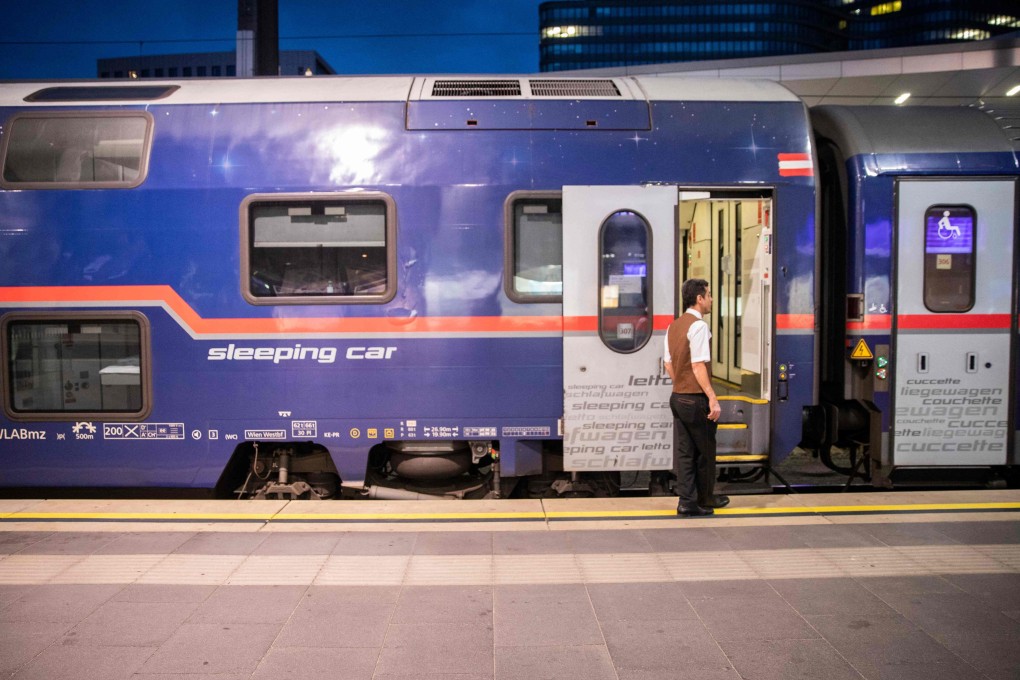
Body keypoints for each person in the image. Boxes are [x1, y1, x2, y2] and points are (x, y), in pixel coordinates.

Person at [664, 278, 729, 517]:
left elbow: (668, 363)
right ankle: (706, 498)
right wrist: (712, 397)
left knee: (685, 452)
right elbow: (699, 364)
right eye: (709, 295)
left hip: (678, 398)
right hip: (695, 399)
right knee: (705, 452)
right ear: (699, 299)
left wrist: (680, 383)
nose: (711, 299)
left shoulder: (674, 326)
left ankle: (686, 501)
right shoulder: (699, 326)